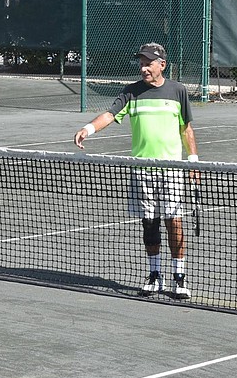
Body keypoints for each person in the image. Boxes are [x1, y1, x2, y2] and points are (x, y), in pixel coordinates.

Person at [73, 43, 198, 299]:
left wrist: (193, 160)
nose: (144, 67)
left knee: (174, 222)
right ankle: (154, 274)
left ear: (162, 64)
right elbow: (110, 115)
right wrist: (88, 129)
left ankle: (179, 276)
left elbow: (186, 129)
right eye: (141, 62)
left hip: (172, 170)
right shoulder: (131, 92)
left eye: (148, 62)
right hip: (142, 171)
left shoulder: (178, 91)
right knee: (149, 223)